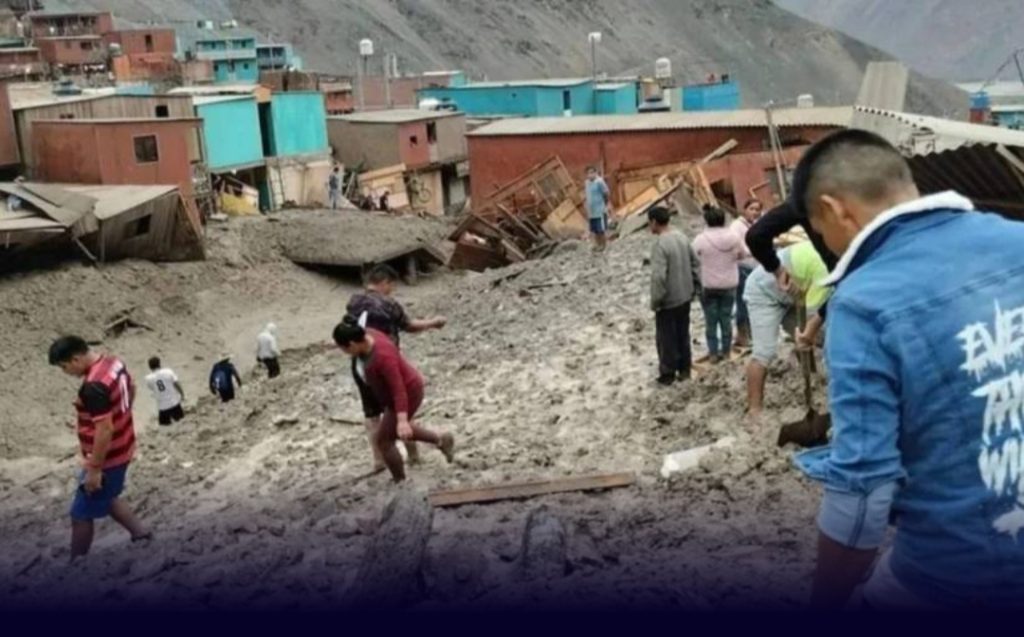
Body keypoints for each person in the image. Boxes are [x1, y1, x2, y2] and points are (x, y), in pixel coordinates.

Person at [789, 129, 1024, 610]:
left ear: (835, 210)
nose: (827, 244)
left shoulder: (864, 302)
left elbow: (863, 489)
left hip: (956, 577)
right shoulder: (1015, 238)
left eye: (819, 230)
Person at [48, 336, 150, 558]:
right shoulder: (114, 363)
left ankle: (76, 563)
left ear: (75, 359)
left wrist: (94, 469)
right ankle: (141, 534)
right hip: (124, 445)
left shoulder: (93, 386)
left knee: (81, 515)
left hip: (107, 458)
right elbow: (132, 386)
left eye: (64, 367)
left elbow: (104, 429)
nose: (66, 372)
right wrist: (120, 414)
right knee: (109, 495)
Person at [346, 264, 447, 471]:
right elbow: (409, 326)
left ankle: (378, 461)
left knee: (371, 415)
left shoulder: (353, 302)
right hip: (386, 361)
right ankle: (414, 455)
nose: (392, 291)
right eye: (391, 286)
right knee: (400, 409)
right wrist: (433, 322)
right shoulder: (388, 304)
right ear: (385, 282)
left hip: (360, 366)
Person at [332, 317, 455, 482]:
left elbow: (399, 389)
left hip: (407, 393)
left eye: (344, 349)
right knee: (394, 429)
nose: (345, 354)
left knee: (384, 441)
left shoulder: (383, 358)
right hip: (392, 395)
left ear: (353, 344)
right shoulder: (367, 333)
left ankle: (400, 480)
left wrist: (402, 420)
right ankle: (440, 440)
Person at [743, 240, 828, 418]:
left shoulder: (837, 258)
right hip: (764, 291)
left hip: (796, 293)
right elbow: (813, 316)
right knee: (764, 352)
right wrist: (807, 336)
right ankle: (754, 410)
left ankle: (812, 382)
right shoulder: (825, 268)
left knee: (816, 336)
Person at [648, 206, 701, 386]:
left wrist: (656, 300)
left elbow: (659, 277)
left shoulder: (660, 244)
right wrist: (695, 287)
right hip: (685, 295)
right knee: (683, 334)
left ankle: (668, 374)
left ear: (654, 222)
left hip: (668, 299)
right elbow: (695, 263)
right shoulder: (681, 237)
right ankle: (685, 369)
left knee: (666, 338)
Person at [693, 206, 744, 363]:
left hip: (709, 284)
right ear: (723, 219)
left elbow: (694, 257)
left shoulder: (701, 239)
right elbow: (742, 254)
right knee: (726, 318)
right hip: (729, 283)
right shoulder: (734, 237)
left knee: (711, 321)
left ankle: (713, 353)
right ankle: (726, 352)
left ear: (707, 220)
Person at [730, 198, 764, 348]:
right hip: (742, 267)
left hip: (755, 267)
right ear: (745, 210)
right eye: (751, 209)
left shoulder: (755, 224)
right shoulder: (737, 226)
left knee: (753, 301)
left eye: (757, 209)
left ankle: (750, 333)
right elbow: (736, 247)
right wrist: (754, 251)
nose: (754, 212)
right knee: (743, 301)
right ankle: (742, 335)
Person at [144, 356, 185, 426]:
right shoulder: (168, 371)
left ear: (150, 367)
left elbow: (152, 388)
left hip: (162, 408)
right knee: (182, 424)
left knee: (165, 429)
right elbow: (176, 384)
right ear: (159, 364)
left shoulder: (148, 378)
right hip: (174, 403)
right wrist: (182, 394)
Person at [584, 166, 611, 252]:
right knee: (595, 229)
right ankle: (597, 245)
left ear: (595, 173)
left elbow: (606, 193)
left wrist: (605, 204)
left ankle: (603, 245)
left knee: (601, 229)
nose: (590, 175)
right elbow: (587, 195)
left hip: (600, 209)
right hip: (592, 211)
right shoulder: (587, 183)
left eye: (592, 172)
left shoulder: (599, 182)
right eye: (589, 173)